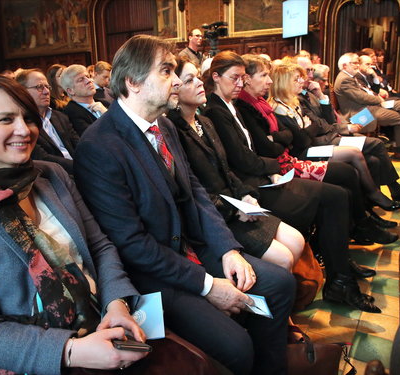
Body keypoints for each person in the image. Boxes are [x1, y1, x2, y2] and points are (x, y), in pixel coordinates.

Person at [74, 35, 296, 375]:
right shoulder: (99, 146)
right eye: (166, 71)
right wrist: (207, 285)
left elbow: (194, 192)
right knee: (236, 345)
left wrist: (227, 250)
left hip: (191, 249)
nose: (177, 81)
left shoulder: (164, 123)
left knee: (279, 284)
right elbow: (131, 244)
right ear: (132, 81)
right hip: (151, 273)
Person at [0, 74, 148, 374]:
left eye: (28, 118)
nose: (24, 129)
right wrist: (71, 351)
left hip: (100, 330)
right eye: (5, 119)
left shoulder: (51, 176)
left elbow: (99, 245)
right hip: (20, 362)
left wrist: (116, 303)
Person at [202, 50, 380, 313]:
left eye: (242, 78)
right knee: (334, 196)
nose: (240, 83)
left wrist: (276, 157)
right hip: (254, 186)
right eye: (235, 78)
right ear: (216, 77)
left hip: (263, 176)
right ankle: (340, 277)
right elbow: (244, 159)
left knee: (338, 192)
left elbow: (280, 141)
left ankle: (340, 269)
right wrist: (278, 163)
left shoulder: (231, 105)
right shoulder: (217, 110)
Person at [167, 56, 304, 271]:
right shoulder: (173, 130)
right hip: (215, 215)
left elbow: (225, 167)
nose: (200, 83)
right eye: (189, 80)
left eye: (197, 77)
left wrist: (246, 194)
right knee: (284, 258)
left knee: (297, 241)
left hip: (235, 201)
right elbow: (195, 190)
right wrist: (234, 208)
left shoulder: (204, 122)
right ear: (174, 89)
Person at [267, 62, 400, 217]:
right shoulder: (280, 106)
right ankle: (375, 196)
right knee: (356, 153)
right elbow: (303, 139)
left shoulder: (295, 100)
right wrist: (311, 128)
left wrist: (319, 104)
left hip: (324, 138)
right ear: (283, 83)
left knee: (373, 159)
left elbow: (321, 123)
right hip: (309, 149)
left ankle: (369, 207)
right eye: (296, 79)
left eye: (302, 77)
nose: (302, 81)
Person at [334, 52, 400, 158]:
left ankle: (399, 150)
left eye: (358, 63)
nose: (357, 65)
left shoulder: (349, 77)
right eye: (354, 63)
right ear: (345, 65)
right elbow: (361, 97)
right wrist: (379, 100)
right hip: (360, 115)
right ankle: (398, 151)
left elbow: (365, 94)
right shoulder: (344, 79)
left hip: (369, 109)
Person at [17, 68, 79, 174]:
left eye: (47, 87)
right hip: (55, 177)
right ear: (22, 91)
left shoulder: (60, 116)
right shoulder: (22, 124)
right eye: (39, 87)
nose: (46, 92)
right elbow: (43, 158)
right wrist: (83, 167)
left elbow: (78, 144)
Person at [61, 64, 107, 136]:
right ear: (70, 91)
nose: (89, 81)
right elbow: (95, 138)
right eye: (81, 80)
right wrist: (106, 116)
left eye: (88, 77)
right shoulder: (70, 113)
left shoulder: (104, 103)